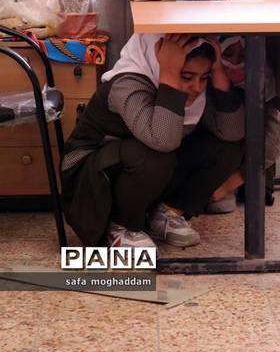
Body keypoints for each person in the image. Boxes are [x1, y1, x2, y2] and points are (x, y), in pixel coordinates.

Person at [60, 33, 245, 248]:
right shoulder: (127, 84)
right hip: (90, 179)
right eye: (187, 76)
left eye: (204, 77)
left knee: (227, 148)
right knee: (156, 156)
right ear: (159, 63)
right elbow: (162, 141)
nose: (197, 87)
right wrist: (169, 73)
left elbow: (232, 133)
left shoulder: (195, 87)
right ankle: (120, 225)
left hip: (144, 166)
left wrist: (218, 71)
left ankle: (166, 211)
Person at [206, 35, 280, 214]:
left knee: (256, 195)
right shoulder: (204, 78)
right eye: (228, 54)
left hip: (255, 154)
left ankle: (247, 182)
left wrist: (230, 183)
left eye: (243, 56)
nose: (235, 62)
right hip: (222, 145)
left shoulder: (263, 79)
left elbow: (273, 141)